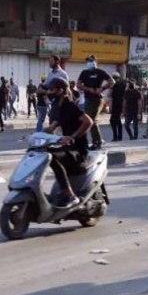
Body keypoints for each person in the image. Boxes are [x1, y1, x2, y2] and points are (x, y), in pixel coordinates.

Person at [44, 77, 94, 208]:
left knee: (53, 157)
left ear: (61, 90)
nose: (49, 92)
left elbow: (88, 122)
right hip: (68, 147)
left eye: (52, 89)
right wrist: (43, 133)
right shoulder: (60, 107)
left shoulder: (70, 106)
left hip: (78, 151)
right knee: (40, 153)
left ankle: (70, 195)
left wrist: (73, 136)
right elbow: (56, 123)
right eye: (48, 89)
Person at [77, 55, 114, 150]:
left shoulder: (100, 72)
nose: (89, 63)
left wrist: (101, 88)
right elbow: (78, 85)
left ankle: (97, 142)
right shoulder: (84, 73)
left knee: (91, 120)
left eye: (91, 61)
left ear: (95, 62)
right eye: (88, 61)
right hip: (88, 99)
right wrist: (88, 89)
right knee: (90, 120)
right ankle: (97, 140)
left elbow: (111, 81)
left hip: (97, 99)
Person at [45, 55, 70, 124]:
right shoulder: (50, 73)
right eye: (49, 61)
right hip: (52, 101)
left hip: (61, 101)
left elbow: (66, 89)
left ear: (57, 62)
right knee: (52, 122)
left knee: (62, 123)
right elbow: (46, 85)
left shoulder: (63, 74)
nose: (50, 63)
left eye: (51, 61)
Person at [109, 73, 126, 142]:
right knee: (116, 121)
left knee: (114, 121)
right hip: (119, 104)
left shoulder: (115, 85)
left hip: (117, 105)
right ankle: (118, 137)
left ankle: (117, 137)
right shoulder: (122, 84)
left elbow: (110, 95)